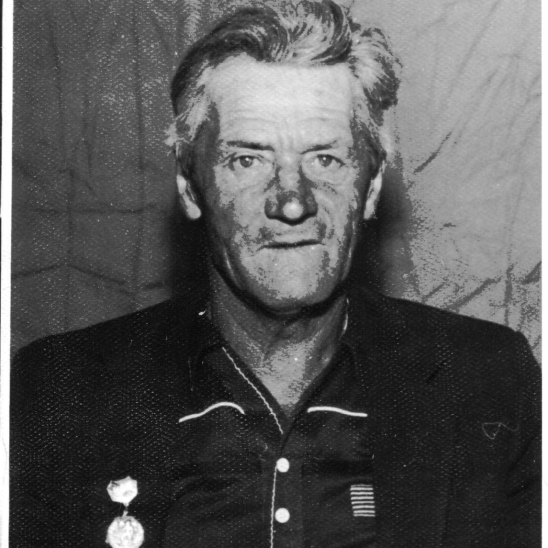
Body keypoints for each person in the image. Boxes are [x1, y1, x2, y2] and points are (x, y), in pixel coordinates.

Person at [10, 1, 540, 547]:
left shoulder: (487, 383)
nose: (292, 202)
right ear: (190, 186)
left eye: (325, 159)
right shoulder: (58, 393)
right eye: (249, 159)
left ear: (371, 188)